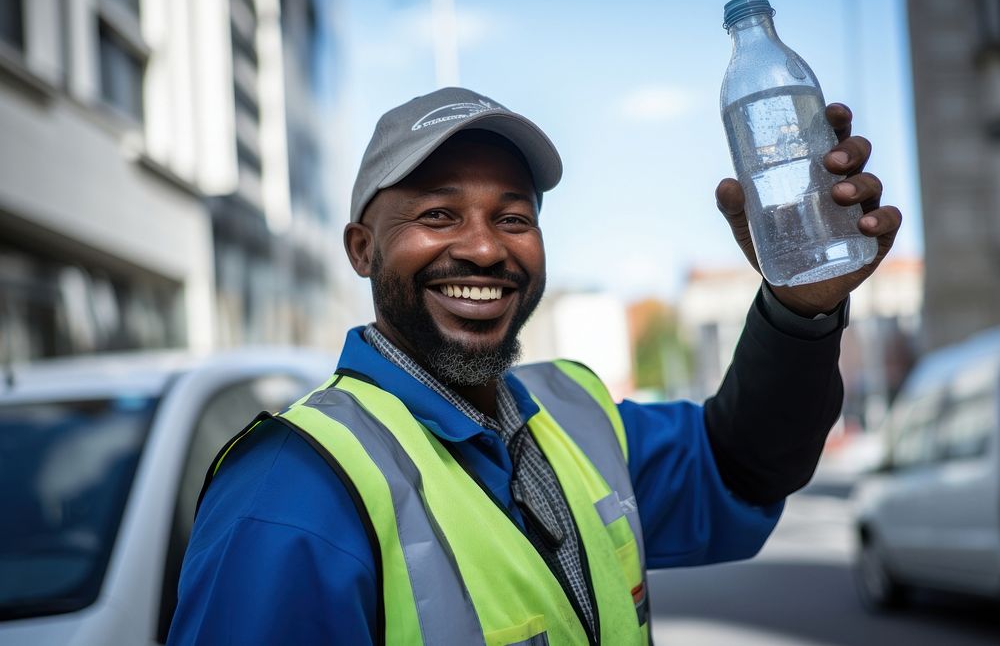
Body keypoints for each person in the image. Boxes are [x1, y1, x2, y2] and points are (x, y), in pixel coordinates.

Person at [168, 87, 900, 645]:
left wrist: (798, 307)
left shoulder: (572, 413)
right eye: (439, 215)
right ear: (362, 248)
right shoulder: (287, 495)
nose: (485, 248)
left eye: (513, 217)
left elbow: (741, 465)